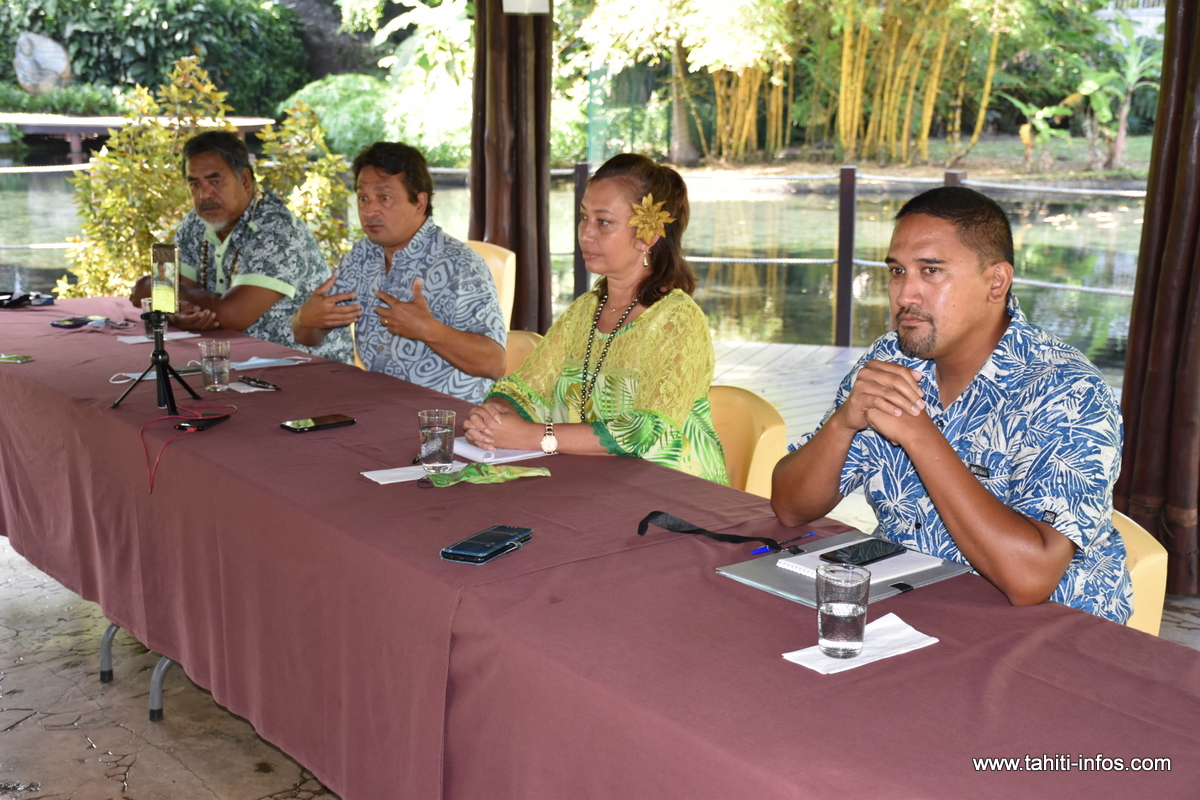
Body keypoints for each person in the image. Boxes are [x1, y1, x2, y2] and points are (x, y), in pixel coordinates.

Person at [771, 186, 1132, 622]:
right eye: (897, 271)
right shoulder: (890, 360)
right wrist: (843, 425)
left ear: (996, 282)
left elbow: (1031, 580)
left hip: (1050, 638)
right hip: (910, 610)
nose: (905, 295)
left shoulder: (1068, 392)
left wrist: (922, 437)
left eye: (931, 271)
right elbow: (790, 508)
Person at [462, 153, 728, 485]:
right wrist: (494, 415)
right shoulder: (585, 310)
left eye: (603, 222)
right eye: (583, 217)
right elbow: (524, 389)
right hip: (591, 484)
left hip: (672, 494)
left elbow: (644, 431)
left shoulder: (677, 321)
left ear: (648, 235)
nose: (585, 234)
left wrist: (530, 436)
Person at [291, 142, 506, 402]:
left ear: (419, 202)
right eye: (363, 198)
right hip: (377, 406)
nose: (369, 210)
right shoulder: (360, 256)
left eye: (384, 197)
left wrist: (429, 330)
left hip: (446, 419)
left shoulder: (460, 265)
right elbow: (308, 336)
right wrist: (305, 319)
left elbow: (495, 364)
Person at [130, 131, 351, 362]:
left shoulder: (278, 228)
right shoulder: (194, 223)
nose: (204, 195)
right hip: (232, 363)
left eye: (215, 182)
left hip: (303, 367)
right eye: (195, 185)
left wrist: (161, 291)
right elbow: (143, 294)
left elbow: (232, 315)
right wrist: (176, 312)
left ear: (245, 180)